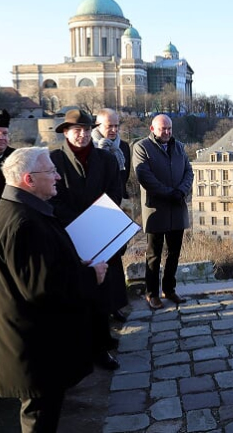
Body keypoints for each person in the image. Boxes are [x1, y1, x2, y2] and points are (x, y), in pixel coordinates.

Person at [0, 147, 108, 433]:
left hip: (39, 344)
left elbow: (43, 267)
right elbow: (42, 288)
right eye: (51, 172)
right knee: (39, 418)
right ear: (29, 179)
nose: (57, 176)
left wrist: (75, 263)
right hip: (36, 349)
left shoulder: (24, 210)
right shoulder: (24, 222)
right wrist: (91, 275)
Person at [50, 109, 123, 371]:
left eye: (85, 129)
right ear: (66, 133)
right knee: (77, 290)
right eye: (75, 130)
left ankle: (101, 345)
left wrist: (97, 216)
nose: (81, 134)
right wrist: (80, 222)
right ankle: (81, 346)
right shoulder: (54, 160)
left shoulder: (106, 159)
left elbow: (116, 190)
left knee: (102, 289)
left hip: (101, 228)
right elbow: (53, 199)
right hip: (70, 234)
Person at [133, 114, 193, 310]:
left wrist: (182, 191)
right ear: (152, 129)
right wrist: (170, 193)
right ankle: (152, 294)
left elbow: (188, 172)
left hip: (177, 207)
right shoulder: (142, 147)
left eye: (169, 128)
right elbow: (145, 177)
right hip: (156, 209)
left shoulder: (179, 147)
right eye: (162, 129)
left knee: (174, 253)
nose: (167, 132)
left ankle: (169, 288)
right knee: (154, 255)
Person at [92, 108, 131, 322]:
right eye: (110, 126)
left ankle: (116, 305)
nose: (114, 130)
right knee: (98, 261)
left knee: (116, 260)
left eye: (117, 125)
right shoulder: (91, 148)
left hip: (116, 208)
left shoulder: (123, 147)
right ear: (98, 127)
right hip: (96, 211)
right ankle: (101, 308)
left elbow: (123, 180)